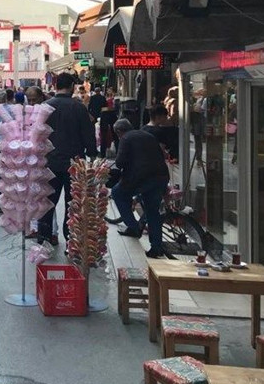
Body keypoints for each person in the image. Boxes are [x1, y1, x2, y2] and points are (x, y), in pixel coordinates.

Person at [36, 72, 97, 246]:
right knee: (74, 204)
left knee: (47, 202)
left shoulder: (46, 106)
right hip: (74, 163)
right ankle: (72, 241)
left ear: (55, 86)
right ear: (71, 87)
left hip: (49, 163)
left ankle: (44, 239)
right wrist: (92, 154)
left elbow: (37, 134)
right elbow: (88, 133)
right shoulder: (78, 108)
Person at [111, 118, 170, 259]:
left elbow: (119, 162)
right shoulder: (147, 135)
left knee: (117, 193)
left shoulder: (125, 139)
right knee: (152, 211)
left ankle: (133, 226)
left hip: (141, 179)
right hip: (160, 176)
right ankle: (156, 247)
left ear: (119, 131)